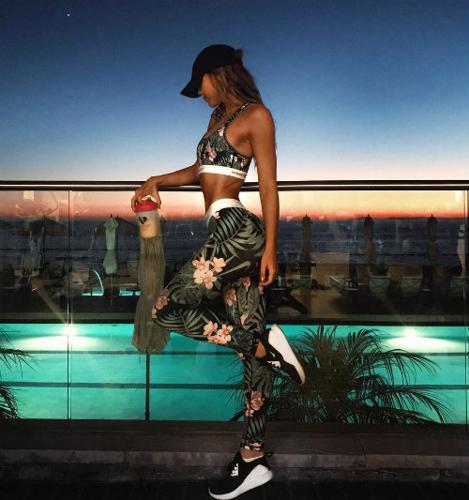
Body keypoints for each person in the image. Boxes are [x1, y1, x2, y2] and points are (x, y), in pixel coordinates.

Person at [131, 44, 305, 500]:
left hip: (238, 233)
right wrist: (156, 180)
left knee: (165, 309)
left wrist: (271, 249)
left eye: (201, 84)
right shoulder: (216, 120)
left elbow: (268, 185)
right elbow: (199, 170)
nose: (200, 94)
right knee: (253, 357)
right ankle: (253, 457)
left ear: (218, 74)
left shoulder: (257, 116)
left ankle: (263, 345)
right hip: (223, 231)